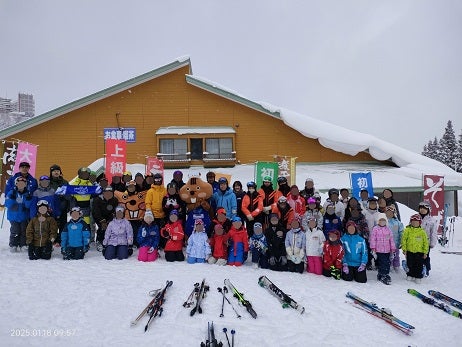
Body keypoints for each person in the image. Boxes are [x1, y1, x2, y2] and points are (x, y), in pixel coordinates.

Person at [6, 176, 33, 252]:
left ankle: (23, 244)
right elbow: (7, 204)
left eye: (23, 183)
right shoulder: (12, 192)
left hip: (24, 216)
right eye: (19, 183)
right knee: (15, 230)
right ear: (16, 184)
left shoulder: (27, 193)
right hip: (13, 216)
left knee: (23, 230)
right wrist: (12, 198)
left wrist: (27, 199)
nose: (21, 185)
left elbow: (28, 206)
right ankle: (13, 244)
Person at [401, 214, 429, 284]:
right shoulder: (407, 230)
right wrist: (404, 249)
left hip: (419, 252)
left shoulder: (422, 232)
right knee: (410, 264)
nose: (414, 223)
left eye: (416, 222)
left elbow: (425, 242)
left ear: (419, 223)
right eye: (413, 222)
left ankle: (418, 276)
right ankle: (410, 274)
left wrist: (425, 252)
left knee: (419, 265)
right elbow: (404, 240)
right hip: (410, 251)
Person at [369, 213, 396, 285]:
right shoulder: (375, 229)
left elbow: (391, 240)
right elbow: (373, 239)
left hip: (387, 250)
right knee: (382, 262)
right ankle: (382, 274)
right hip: (379, 250)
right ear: (378, 221)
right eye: (380, 220)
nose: (382, 222)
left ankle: (384, 274)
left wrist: (393, 249)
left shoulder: (388, 229)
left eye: (383, 220)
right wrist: (373, 248)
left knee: (387, 262)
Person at [92, 186, 119, 251]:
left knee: (111, 227)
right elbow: (96, 211)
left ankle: (110, 240)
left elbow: (114, 211)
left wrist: (110, 220)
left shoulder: (114, 200)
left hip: (109, 217)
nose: (108, 194)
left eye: (110, 193)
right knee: (102, 228)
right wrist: (101, 220)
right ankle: (99, 241)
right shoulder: (97, 199)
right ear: (103, 193)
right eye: (106, 192)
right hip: (99, 217)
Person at [49, 164, 69, 244]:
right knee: (52, 225)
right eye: (54, 171)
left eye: (57, 171)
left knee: (63, 224)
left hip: (63, 206)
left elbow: (69, 193)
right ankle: (53, 239)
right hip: (52, 207)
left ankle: (61, 240)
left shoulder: (65, 182)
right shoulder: (48, 182)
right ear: (51, 172)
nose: (56, 172)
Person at [418, 201, 437, 276]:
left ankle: (427, 268)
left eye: (424, 208)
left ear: (428, 210)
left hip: (426, 242)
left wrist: (432, 243)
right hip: (416, 242)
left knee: (425, 256)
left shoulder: (431, 220)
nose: (422, 210)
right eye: (421, 208)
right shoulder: (415, 217)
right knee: (417, 256)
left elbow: (433, 232)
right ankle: (419, 268)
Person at [385, 205, 404, 272]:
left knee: (396, 255)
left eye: (391, 213)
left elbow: (401, 232)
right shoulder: (384, 222)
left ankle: (396, 265)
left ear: (394, 214)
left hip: (395, 243)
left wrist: (401, 242)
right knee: (388, 256)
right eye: (387, 213)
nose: (389, 214)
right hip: (386, 244)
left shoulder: (398, 223)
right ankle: (389, 265)